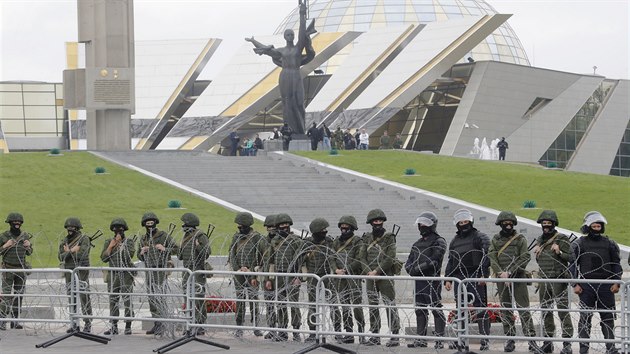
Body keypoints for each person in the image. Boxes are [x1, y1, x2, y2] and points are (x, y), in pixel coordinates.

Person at [245, 1, 315, 134]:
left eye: (292, 35)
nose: (291, 36)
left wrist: (302, 14)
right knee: (287, 102)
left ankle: (300, 130)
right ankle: (289, 129)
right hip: (285, 76)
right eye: (288, 35)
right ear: (284, 36)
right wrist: (253, 41)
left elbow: (302, 32)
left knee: (299, 102)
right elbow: (267, 51)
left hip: (295, 75)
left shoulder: (297, 49)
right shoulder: (281, 51)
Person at [489, 211, 543, 354]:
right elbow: (492, 257)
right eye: (505, 223)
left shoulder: (520, 239)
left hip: (518, 278)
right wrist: (501, 273)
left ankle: (532, 341)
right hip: (502, 279)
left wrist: (510, 273)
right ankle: (510, 339)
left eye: (510, 223)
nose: (508, 225)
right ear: (500, 224)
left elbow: (524, 257)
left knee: (524, 310)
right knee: (506, 310)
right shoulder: (495, 239)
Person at [572, 211, 621, 354]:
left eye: (598, 225)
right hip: (586, 286)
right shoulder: (579, 243)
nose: (596, 228)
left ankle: (611, 348)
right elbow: (572, 264)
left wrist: (616, 282)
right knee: (585, 318)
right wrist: (575, 283)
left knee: (608, 318)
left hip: (606, 285)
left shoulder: (610, 244)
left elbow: (616, 264)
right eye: (593, 225)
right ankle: (583, 349)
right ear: (588, 227)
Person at [444, 209, 491, 351]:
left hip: (475, 275)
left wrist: (483, 275)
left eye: (466, 222)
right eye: (461, 222)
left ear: (471, 222)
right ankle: (462, 340)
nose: (463, 224)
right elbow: (451, 261)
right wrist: (448, 279)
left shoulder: (479, 237)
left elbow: (486, 256)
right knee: (461, 309)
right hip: (459, 277)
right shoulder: (454, 241)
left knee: (480, 308)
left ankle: (485, 340)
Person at [532, 210, 573, 354]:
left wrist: (560, 252)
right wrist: (537, 252)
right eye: (544, 224)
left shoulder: (561, 239)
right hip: (544, 280)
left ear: (554, 224)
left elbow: (571, 258)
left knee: (563, 312)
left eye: (549, 224)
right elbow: (540, 261)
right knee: (546, 312)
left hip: (558, 279)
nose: (546, 226)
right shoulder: (539, 241)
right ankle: (547, 342)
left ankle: (567, 343)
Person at [405, 211, 447, 349]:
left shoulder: (439, 241)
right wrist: (410, 269)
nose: (422, 226)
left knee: (436, 308)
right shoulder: (417, 243)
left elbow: (435, 260)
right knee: (420, 310)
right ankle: (421, 339)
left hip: (432, 280)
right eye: (421, 223)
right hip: (419, 281)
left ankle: (440, 339)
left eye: (425, 224)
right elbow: (409, 261)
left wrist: (417, 269)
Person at [362, 209, 400, 347]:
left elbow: (390, 257)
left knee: (389, 304)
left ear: (383, 221)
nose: (377, 223)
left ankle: (395, 334)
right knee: (372, 306)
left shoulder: (389, 237)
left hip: (385, 275)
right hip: (370, 276)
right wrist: (369, 272)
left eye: (379, 220)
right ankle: (375, 334)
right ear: (371, 222)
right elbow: (362, 257)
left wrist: (377, 271)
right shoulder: (366, 238)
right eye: (375, 221)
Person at [264, 213, 305, 342]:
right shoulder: (274, 241)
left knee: (294, 304)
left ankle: (296, 330)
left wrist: (299, 277)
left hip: (292, 276)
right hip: (279, 276)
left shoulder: (296, 241)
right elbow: (271, 262)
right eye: (282, 225)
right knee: (281, 304)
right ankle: (282, 330)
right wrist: (270, 279)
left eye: (286, 225)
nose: (284, 227)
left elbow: (301, 260)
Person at [138, 212, 178, 335]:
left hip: (160, 269)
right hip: (149, 269)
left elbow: (177, 249)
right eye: (147, 223)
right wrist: (141, 252)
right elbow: (139, 257)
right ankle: (157, 323)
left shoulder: (163, 236)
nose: (150, 226)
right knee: (151, 297)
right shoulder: (144, 239)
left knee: (160, 296)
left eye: (152, 223)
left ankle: (163, 323)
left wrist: (165, 249)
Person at [229, 212, 267, 337]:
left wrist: (252, 269)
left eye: (241, 226)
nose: (239, 228)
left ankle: (255, 326)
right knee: (240, 300)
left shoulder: (256, 237)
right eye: (238, 226)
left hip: (252, 274)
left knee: (253, 300)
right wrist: (238, 269)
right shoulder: (236, 237)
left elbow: (261, 255)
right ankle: (239, 326)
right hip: (239, 273)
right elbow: (232, 254)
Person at [330, 215, 366, 344]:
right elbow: (331, 257)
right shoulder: (336, 242)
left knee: (357, 306)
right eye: (342, 228)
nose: (344, 230)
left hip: (352, 277)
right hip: (340, 278)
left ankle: (361, 331)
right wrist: (336, 270)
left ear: (352, 228)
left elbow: (359, 259)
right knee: (345, 306)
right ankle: (349, 331)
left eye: (347, 228)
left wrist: (346, 269)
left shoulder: (357, 241)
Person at [302, 218, 337, 343]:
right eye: (322, 230)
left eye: (325, 230)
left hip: (327, 275)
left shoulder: (329, 242)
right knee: (313, 305)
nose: (325, 232)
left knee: (333, 303)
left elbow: (334, 257)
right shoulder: (307, 243)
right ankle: (313, 331)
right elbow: (300, 259)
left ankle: (338, 330)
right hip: (313, 277)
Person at [178, 213, 211, 335]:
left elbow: (207, 252)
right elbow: (180, 256)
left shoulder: (200, 235)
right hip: (187, 271)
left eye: (185, 224)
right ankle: (190, 323)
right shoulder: (185, 236)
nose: (183, 226)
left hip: (197, 271)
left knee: (198, 298)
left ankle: (200, 324)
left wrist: (198, 246)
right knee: (187, 298)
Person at [101, 218, 136, 335]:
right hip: (113, 274)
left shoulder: (129, 242)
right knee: (113, 300)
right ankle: (114, 325)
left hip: (126, 274)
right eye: (115, 229)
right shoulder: (108, 242)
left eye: (120, 229)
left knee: (127, 300)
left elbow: (128, 256)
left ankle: (128, 325)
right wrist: (111, 246)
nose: (118, 231)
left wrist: (120, 244)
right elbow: (104, 258)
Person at [58, 217, 93, 333]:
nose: (70, 230)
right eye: (68, 228)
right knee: (71, 296)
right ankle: (73, 322)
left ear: (77, 228)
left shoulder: (84, 239)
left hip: (81, 270)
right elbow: (60, 257)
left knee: (84, 296)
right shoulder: (64, 241)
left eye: (72, 228)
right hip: (69, 270)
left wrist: (68, 252)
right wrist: (72, 251)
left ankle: (87, 322)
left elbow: (83, 254)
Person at [0, 212, 33, 330]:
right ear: (9, 223)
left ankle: (15, 320)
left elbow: (29, 252)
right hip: (8, 269)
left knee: (19, 295)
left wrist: (28, 246)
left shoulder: (25, 236)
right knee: (7, 295)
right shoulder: (3, 236)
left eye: (19, 222)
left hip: (20, 269)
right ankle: (2, 320)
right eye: (14, 222)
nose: (17, 224)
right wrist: (5, 246)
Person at [261, 215, 278, 340]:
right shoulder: (263, 241)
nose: (270, 229)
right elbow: (259, 258)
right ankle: (271, 328)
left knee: (282, 303)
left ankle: (283, 329)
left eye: (273, 227)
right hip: (267, 276)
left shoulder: (283, 241)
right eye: (268, 227)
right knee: (269, 304)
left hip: (281, 275)